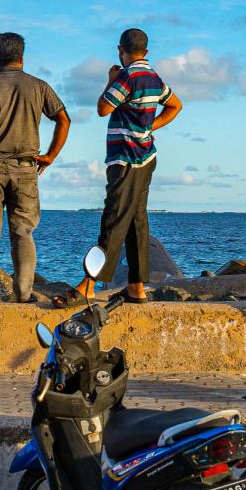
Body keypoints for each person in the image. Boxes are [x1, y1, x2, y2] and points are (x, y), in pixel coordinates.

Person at [61, 27, 181, 305]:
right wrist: (151, 127)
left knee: (113, 219)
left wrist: (110, 80)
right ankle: (136, 287)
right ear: (147, 51)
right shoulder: (154, 77)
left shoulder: (128, 76)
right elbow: (175, 105)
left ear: (120, 50)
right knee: (137, 221)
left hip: (124, 159)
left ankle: (88, 284)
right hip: (147, 157)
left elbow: (103, 108)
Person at [0, 32, 70, 303]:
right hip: (26, 168)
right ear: (22, 56)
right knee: (23, 232)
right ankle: (24, 293)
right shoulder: (39, 86)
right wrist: (50, 155)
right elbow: (64, 120)